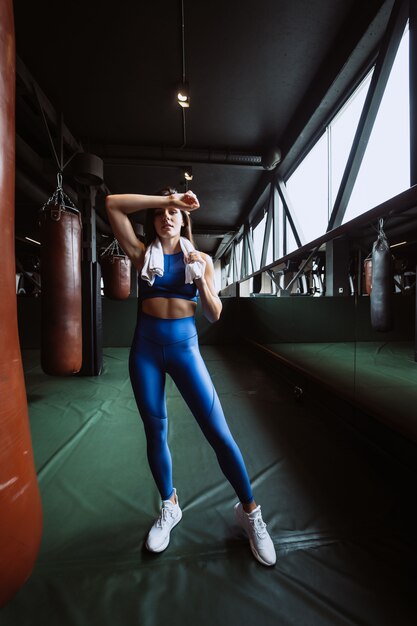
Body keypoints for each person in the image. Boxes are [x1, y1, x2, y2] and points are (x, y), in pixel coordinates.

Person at [105, 187, 276, 566]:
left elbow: (214, 313)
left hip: (186, 351)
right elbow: (113, 204)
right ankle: (170, 506)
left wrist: (200, 281)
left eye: (174, 213)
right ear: (153, 220)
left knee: (219, 434)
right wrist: (166, 201)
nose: (167, 217)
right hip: (145, 352)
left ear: (185, 221)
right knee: (155, 430)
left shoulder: (200, 259)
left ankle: (249, 513)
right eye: (161, 213)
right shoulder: (139, 253)